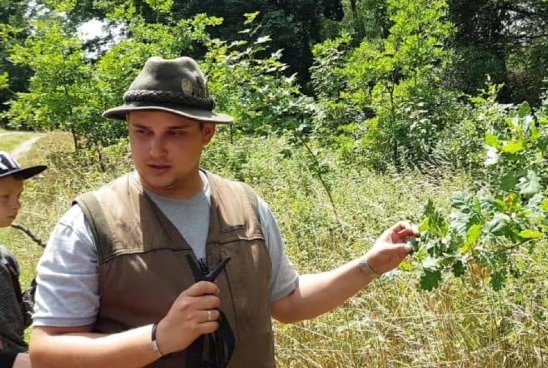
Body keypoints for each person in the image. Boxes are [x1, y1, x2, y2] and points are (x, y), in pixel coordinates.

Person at [29, 56, 417, 368]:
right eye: (142, 131)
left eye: (175, 133)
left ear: (207, 134)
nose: (154, 150)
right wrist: (158, 339)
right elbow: (49, 352)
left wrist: (368, 265)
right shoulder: (89, 223)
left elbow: (288, 302)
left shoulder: (247, 206)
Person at [0, 151, 48, 368]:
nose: (16, 205)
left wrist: (45, 280)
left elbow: (18, 320)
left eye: (18, 196)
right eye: (4, 198)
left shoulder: (5, 258)